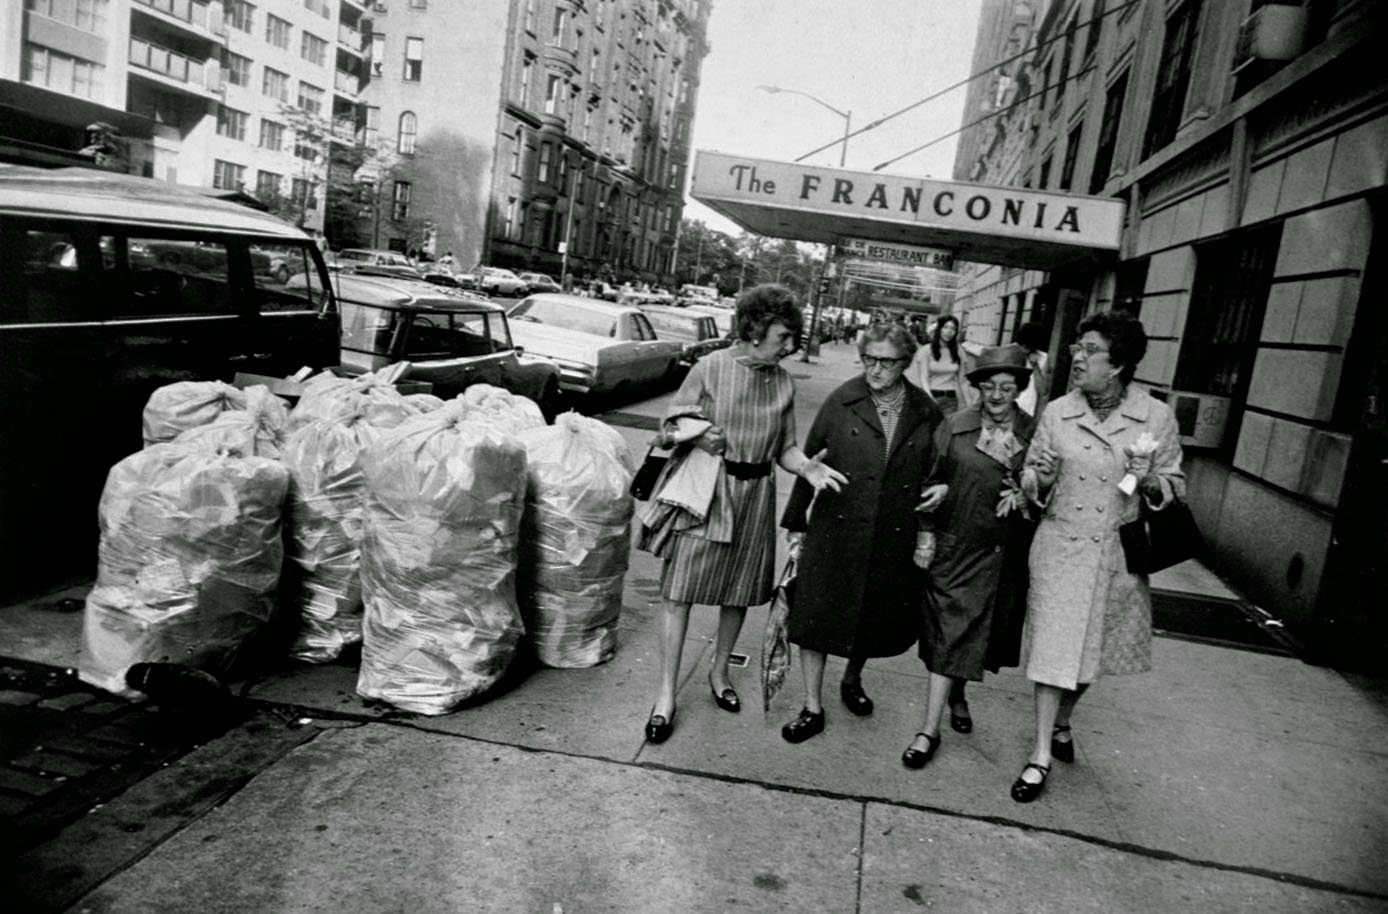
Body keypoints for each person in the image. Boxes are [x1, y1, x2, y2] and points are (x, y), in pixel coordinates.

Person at [644, 284, 848, 744]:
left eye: (794, 337)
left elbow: (788, 450)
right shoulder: (710, 368)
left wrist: (809, 469)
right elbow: (667, 428)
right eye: (784, 336)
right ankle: (665, 696)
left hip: (756, 495)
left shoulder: (783, 382)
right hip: (707, 491)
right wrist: (696, 437)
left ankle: (720, 674)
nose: (791, 346)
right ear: (755, 330)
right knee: (680, 593)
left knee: (736, 593)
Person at [1010, 310, 1186, 802]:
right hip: (1062, 547)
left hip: (1116, 552)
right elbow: (1029, 480)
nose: (1077, 357)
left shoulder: (1156, 417)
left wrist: (1152, 480)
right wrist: (1039, 478)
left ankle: (1064, 720)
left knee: (1095, 655)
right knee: (1054, 651)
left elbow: (1174, 482)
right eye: (1076, 348)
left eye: (1090, 350)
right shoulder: (1057, 412)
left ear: (1119, 364)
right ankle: (1040, 752)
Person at [778, 323, 944, 743]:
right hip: (837, 526)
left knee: (872, 613)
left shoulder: (925, 411)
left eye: (885, 362)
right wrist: (796, 521)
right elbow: (810, 461)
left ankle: (852, 678)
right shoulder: (842, 400)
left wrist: (930, 523)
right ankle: (812, 707)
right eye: (869, 359)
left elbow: (937, 472)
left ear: (904, 362)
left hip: (893, 531)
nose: (874, 369)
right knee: (813, 614)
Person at [901, 344, 1037, 768]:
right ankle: (929, 730)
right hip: (957, 547)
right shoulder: (955, 426)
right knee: (948, 636)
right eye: (989, 386)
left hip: (1005, 554)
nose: (996, 396)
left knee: (981, 636)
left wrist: (1028, 494)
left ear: (1019, 389)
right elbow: (929, 478)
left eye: (1006, 387)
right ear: (977, 387)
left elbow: (1049, 488)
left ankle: (959, 694)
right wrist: (930, 519)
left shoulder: (1036, 433)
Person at [905, 315, 972, 415]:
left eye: (953, 328)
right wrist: (930, 399)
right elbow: (924, 378)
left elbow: (963, 381)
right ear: (939, 329)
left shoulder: (959, 351)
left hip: (951, 400)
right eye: (945, 327)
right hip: (931, 395)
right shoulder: (926, 350)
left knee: (945, 429)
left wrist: (970, 405)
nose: (949, 331)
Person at [1014, 321, 1051, 417]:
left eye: (1028, 346)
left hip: (1026, 412)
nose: (1024, 349)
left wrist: (1035, 366)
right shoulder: (1011, 354)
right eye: (1022, 345)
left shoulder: (1043, 358)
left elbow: (1043, 391)